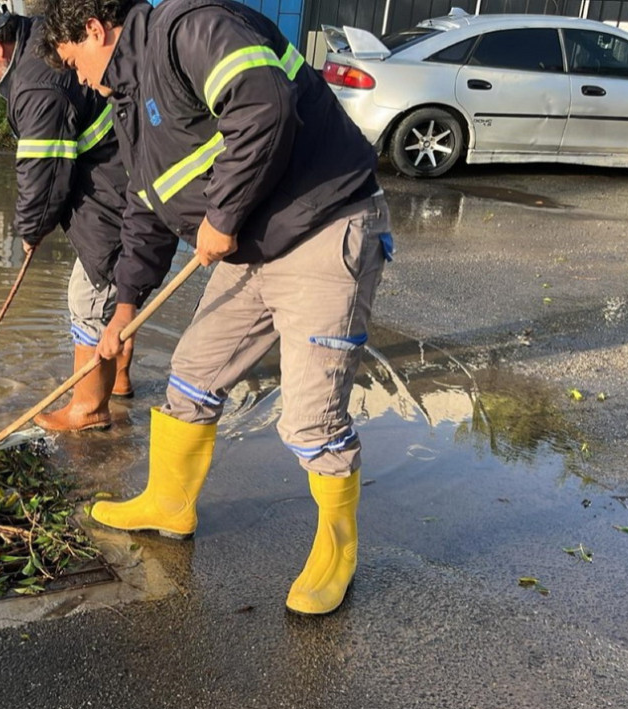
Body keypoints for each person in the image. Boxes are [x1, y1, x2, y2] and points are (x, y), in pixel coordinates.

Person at [38, 0, 394, 614]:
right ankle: (169, 505)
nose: (82, 81)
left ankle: (338, 549)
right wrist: (124, 307)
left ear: (94, 30)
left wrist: (222, 216)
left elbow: (264, 105)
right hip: (253, 244)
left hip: (322, 227)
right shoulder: (130, 99)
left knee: (311, 419)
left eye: (76, 64)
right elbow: (146, 208)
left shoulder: (190, 29)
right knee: (192, 375)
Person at [0, 0, 135, 431]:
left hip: (115, 179)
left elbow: (42, 173)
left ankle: (89, 410)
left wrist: (31, 230)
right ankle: (119, 380)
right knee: (122, 281)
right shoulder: (37, 34)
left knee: (90, 294)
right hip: (121, 160)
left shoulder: (36, 87)